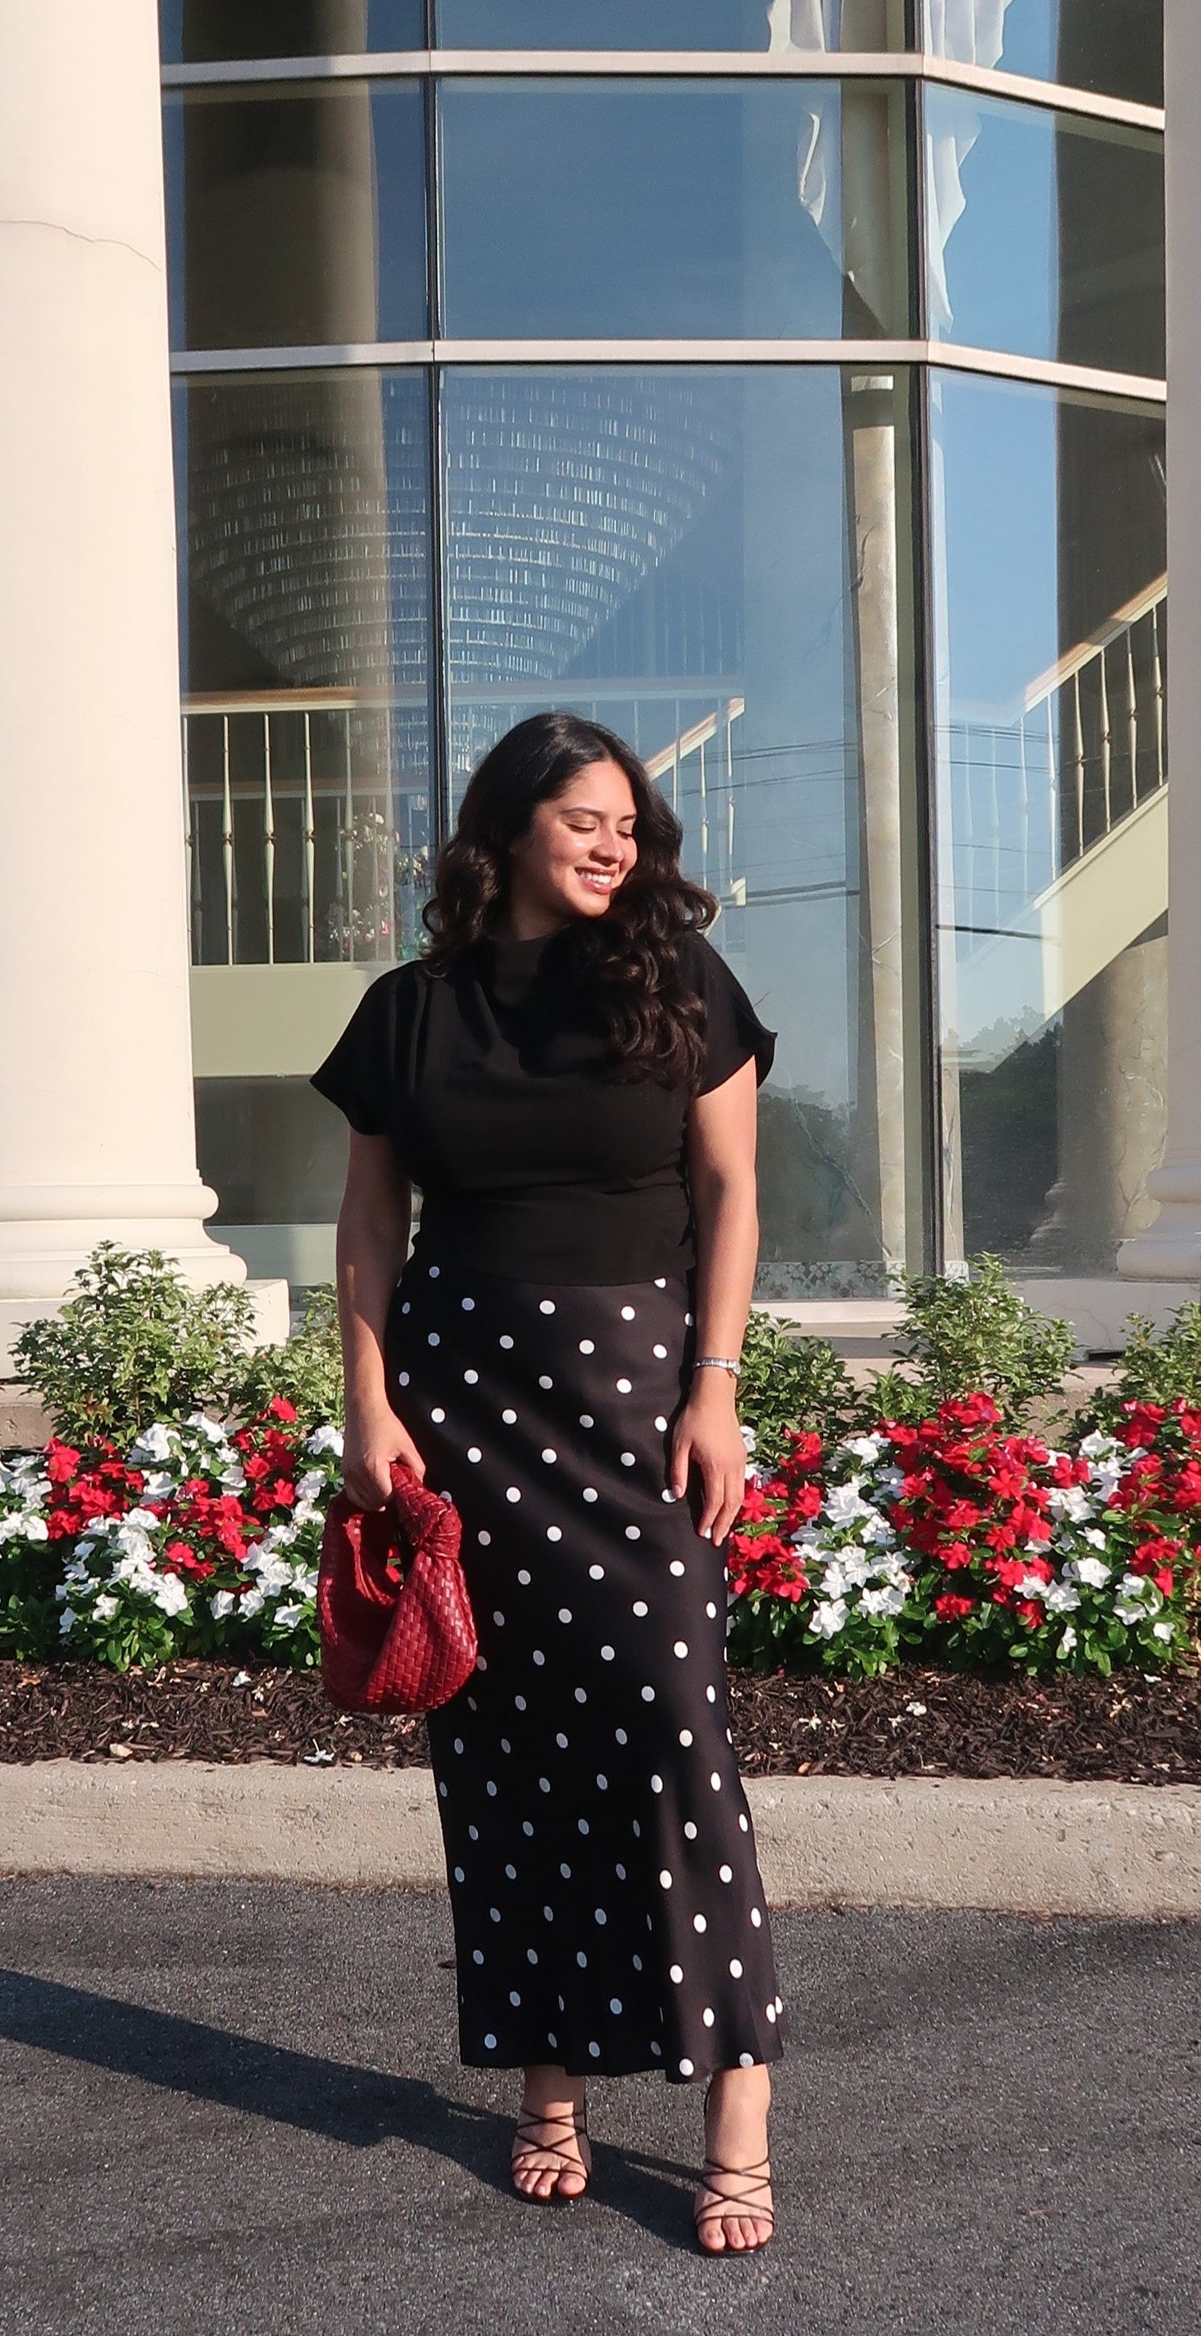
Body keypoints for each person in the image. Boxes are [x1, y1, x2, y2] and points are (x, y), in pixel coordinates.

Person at [311, 711, 783, 2256]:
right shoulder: (411, 1011)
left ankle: (735, 2111)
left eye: (627, 826)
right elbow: (371, 1228)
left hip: (638, 1391)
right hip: (463, 1405)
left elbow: (727, 1193)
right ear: (505, 828)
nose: (611, 845)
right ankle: (551, 2088)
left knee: (669, 1720)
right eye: (582, 819)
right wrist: (367, 1406)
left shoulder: (678, 986)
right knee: (504, 1752)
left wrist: (714, 1389)